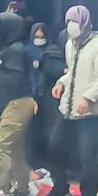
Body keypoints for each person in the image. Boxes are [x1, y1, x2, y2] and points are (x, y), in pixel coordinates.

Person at [51, 5, 98, 196]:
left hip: (88, 112)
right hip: (67, 107)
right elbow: (71, 72)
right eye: (68, 21)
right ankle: (60, 187)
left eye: (75, 22)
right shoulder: (70, 44)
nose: (71, 26)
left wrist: (88, 97)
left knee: (87, 156)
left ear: (85, 23)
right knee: (55, 147)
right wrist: (61, 83)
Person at [0, 12, 36, 196]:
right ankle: (22, 188)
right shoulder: (10, 47)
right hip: (18, 102)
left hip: (17, 103)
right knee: (15, 149)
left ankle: (2, 192)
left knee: (1, 147)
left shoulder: (14, 50)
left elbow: (14, 77)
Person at [27, 21, 66, 181]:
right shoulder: (27, 51)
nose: (39, 38)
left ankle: (51, 166)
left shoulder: (53, 52)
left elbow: (56, 70)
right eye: (36, 35)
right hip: (33, 97)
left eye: (42, 35)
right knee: (33, 133)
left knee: (51, 132)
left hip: (50, 98)